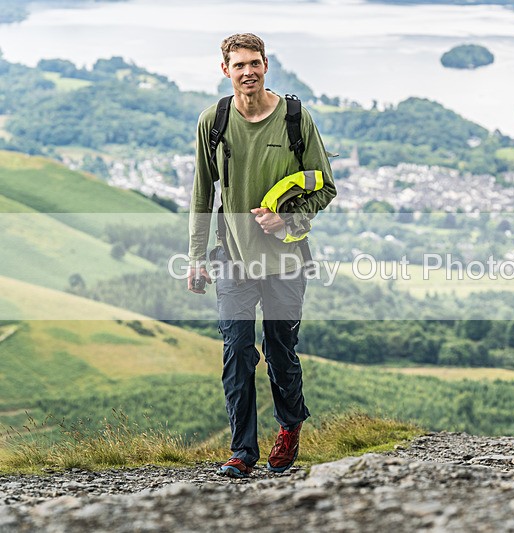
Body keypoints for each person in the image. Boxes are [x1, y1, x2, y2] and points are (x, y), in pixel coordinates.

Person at [187, 33, 336, 477]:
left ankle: (290, 426)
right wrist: (196, 256)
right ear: (225, 71)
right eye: (239, 65)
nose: (248, 71)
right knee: (236, 352)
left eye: (255, 63)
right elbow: (200, 193)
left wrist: (287, 221)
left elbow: (325, 186)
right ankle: (241, 452)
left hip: (287, 262)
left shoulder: (294, 118)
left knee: (280, 350)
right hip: (232, 257)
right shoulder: (212, 121)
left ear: (266, 65)